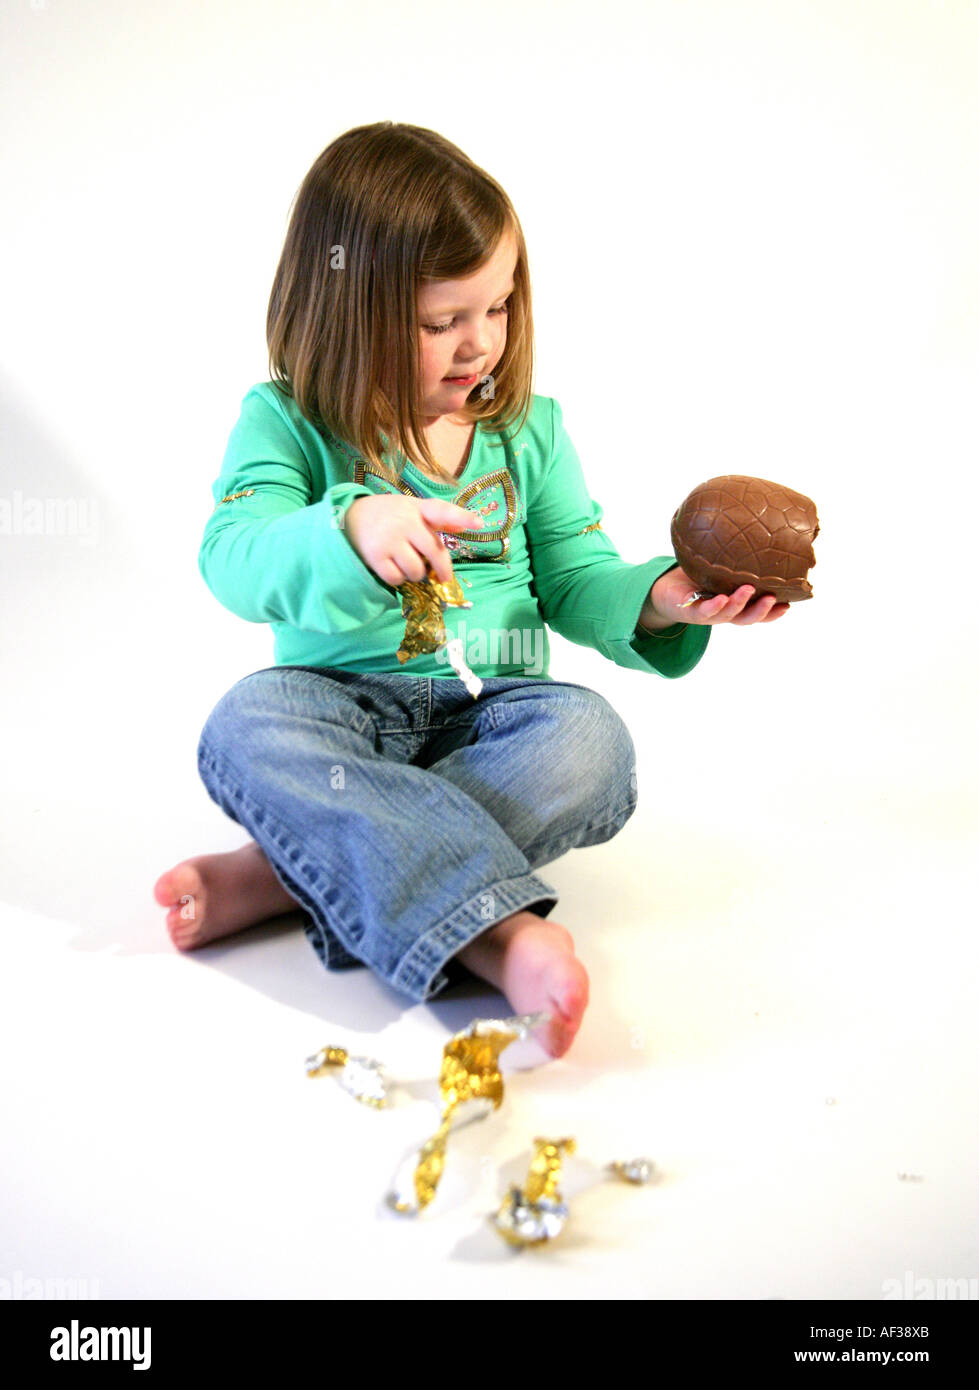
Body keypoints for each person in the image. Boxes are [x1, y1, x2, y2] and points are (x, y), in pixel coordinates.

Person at [154, 122, 788, 1059]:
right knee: (246, 727)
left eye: (496, 308)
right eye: (440, 322)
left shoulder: (530, 431)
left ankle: (286, 872)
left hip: (494, 705)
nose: (478, 345)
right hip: (333, 706)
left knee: (590, 742)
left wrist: (660, 600)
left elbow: (575, 575)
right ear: (344, 314)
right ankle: (501, 935)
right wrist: (347, 529)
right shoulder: (282, 422)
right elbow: (232, 556)